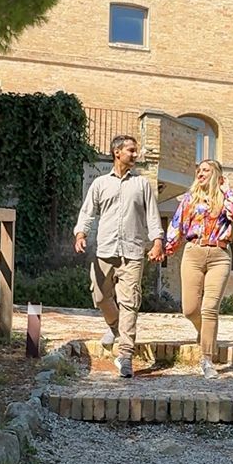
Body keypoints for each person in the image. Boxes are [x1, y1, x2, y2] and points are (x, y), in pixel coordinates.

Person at [73, 133, 164, 378]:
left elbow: (152, 216)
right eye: (131, 150)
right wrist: (81, 233)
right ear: (117, 152)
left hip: (133, 252)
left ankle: (125, 356)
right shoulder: (101, 183)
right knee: (101, 297)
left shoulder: (142, 184)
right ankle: (114, 328)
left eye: (136, 151)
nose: (136, 154)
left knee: (130, 303)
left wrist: (157, 241)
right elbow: (87, 212)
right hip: (105, 250)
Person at [164, 159, 233, 378]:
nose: (200, 173)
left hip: (219, 255)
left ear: (217, 175)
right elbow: (176, 224)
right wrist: (167, 248)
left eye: (206, 171)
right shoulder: (190, 199)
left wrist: (226, 189)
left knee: (209, 308)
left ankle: (207, 359)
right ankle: (204, 331)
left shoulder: (225, 198)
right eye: (198, 170)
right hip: (193, 253)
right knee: (190, 309)